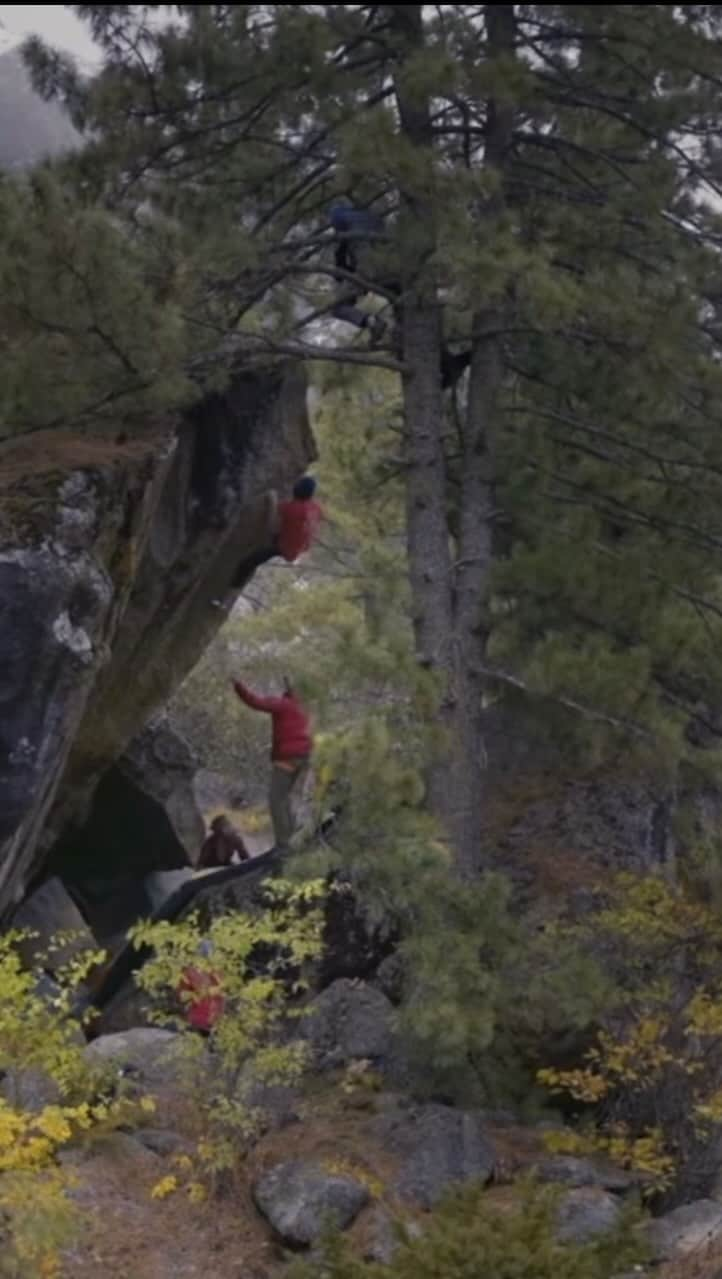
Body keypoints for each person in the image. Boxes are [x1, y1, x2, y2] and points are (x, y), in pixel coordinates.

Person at [328, 200, 470, 387]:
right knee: (408, 316)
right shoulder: (373, 218)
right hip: (397, 269)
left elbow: (340, 262)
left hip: (371, 271)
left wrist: (346, 277)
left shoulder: (340, 218)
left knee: (337, 307)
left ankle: (371, 322)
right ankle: (448, 362)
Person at [232, 676, 312, 851]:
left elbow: (255, 702)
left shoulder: (283, 704)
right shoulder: (308, 707)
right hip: (306, 757)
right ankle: (294, 840)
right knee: (288, 799)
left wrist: (238, 685)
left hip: (287, 757)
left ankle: (284, 843)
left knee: (276, 799)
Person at [230, 475, 323, 584]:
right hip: (300, 547)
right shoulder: (316, 508)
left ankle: (234, 585)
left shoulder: (291, 508)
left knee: (247, 563)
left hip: (285, 549)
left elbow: (271, 524)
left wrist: (272, 498)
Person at [177, 939, 225, 1034]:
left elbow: (225, 989)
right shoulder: (189, 972)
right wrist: (197, 994)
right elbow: (182, 995)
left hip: (214, 1020)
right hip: (197, 1020)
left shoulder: (218, 971)